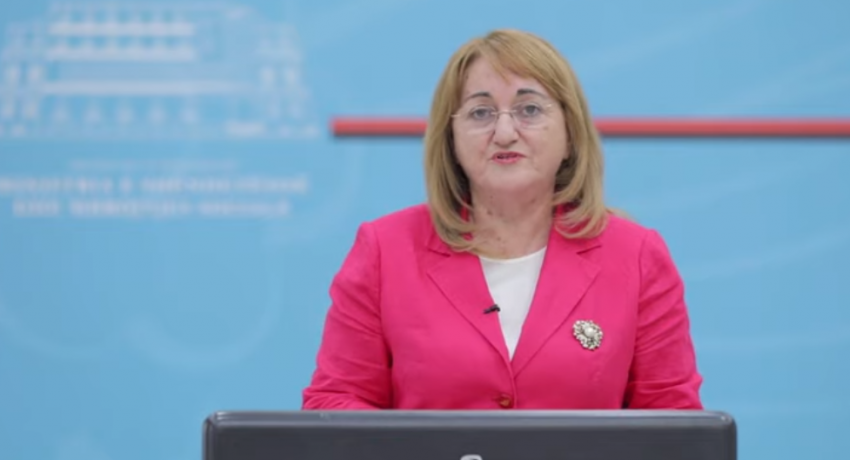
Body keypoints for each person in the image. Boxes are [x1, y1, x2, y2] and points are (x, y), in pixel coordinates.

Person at [301, 29, 703, 410]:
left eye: (529, 110)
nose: (505, 132)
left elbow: (673, 421)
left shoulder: (636, 256)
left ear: (570, 135)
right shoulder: (385, 251)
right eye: (481, 112)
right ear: (451, 139)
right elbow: (335, 402)